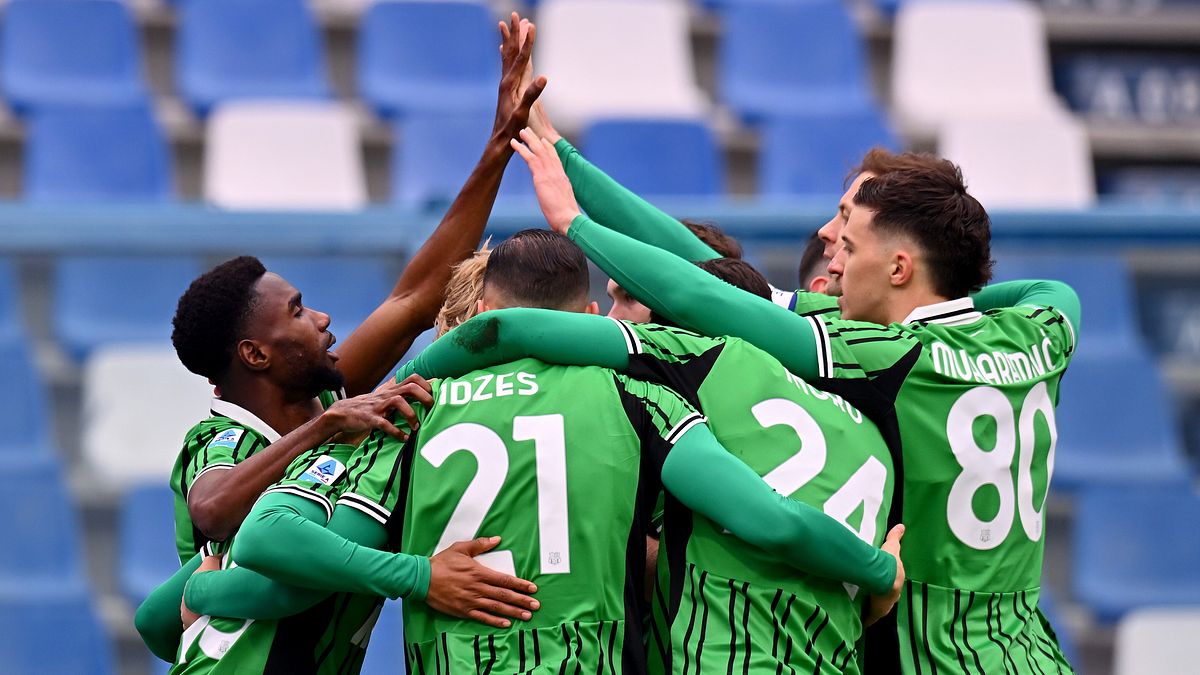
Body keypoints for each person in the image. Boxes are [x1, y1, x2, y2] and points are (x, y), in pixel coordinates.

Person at [510, 127, 1079, 674]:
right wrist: (956, 300)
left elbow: (702, 294)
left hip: (926, 655)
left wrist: (574, 224)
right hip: (1028, 652)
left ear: (899, 266)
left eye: (850, 244)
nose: (833, 259)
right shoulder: (1039, 334)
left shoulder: (885, 356)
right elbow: (722, 280)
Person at [217, 230, 903, 674]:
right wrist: (878, 569)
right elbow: (770, 520)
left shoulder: (412, 408)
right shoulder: (642, 398)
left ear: (483, 307)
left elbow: (268, 538)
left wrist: (419, 576)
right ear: (587, 317)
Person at [135, 13, 549, 668]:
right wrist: (326, 430)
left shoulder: (330, 404)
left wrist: (499, 144)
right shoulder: (223, 441)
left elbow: (417, 299)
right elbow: (212, 509)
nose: (323, 319)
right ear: (255, 354)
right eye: (298, 312)